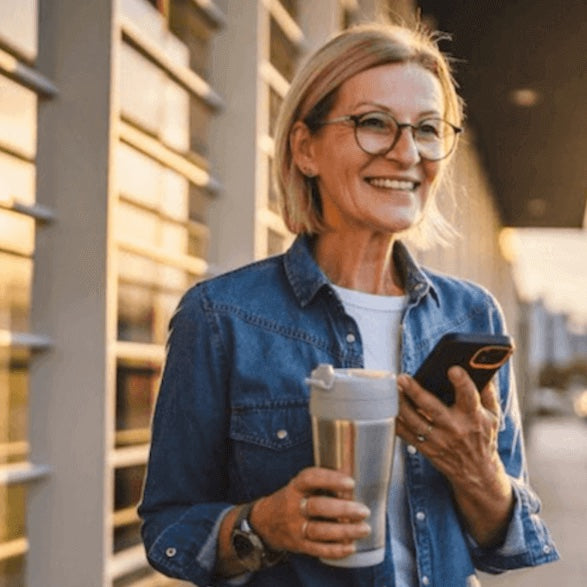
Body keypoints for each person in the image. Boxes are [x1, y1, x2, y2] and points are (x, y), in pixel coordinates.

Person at [138, 22, 559, 586]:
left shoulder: (470, 315)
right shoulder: (221, 318)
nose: (407, 152)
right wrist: (261, 526)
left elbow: (502, 547)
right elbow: (169, 528)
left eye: (427, 129)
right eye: (374, 123)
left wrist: (478, 471)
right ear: (305, 147)